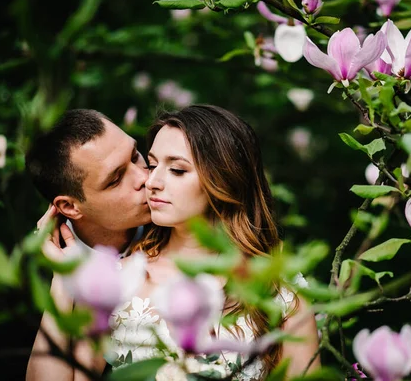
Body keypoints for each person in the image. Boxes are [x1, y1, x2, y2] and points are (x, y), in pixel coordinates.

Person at [108, 105, 320, 379]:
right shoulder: (119, 278)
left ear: (223, 179)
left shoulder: (279, 292)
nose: (153, 182)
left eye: (177, 170)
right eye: (151, 165)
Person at [25, 109, 152, 381]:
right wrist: (63, 277)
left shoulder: (176, 217)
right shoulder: (30, 275)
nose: (144, 178)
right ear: (70, 207)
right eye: (116, 179)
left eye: (135, 155)